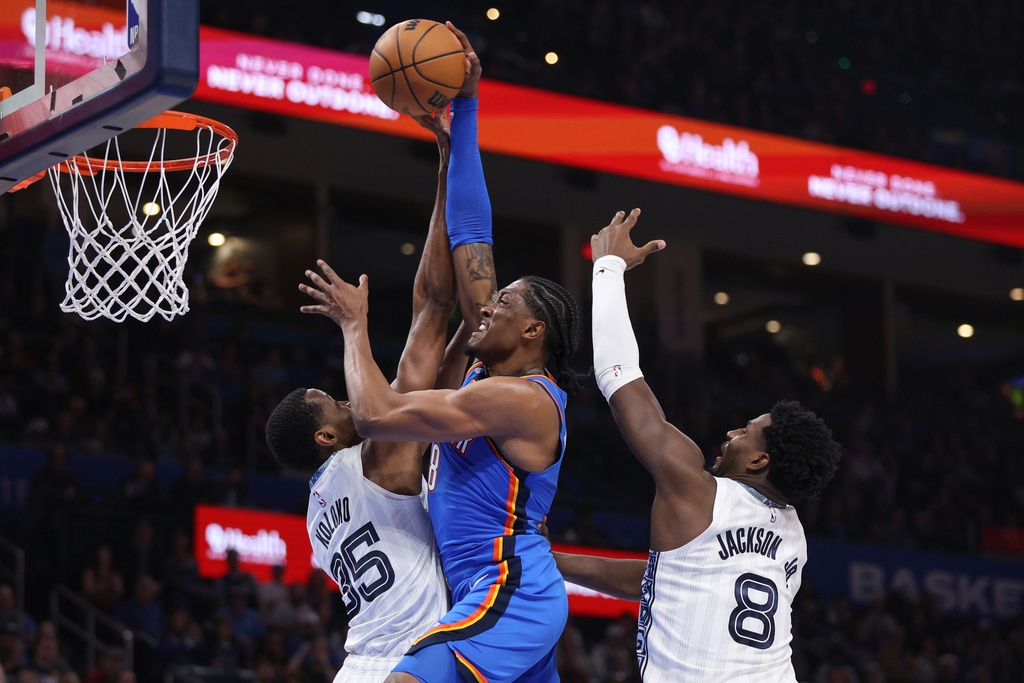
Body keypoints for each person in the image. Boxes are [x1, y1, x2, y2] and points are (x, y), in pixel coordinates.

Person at [301, 23, 581, 683]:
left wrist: (353, 325)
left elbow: (376, 414)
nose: (488, 304)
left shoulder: (520, 399)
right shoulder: (489, 368)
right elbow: (472, 236)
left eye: (505, 303)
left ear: (536, 331)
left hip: (507, 592)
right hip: (487, 591)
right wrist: (466, 114)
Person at [552, 209, 842, 682]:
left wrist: (607, 269)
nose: (730, 434)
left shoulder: (698, 490)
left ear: (759, 459)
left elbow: (619, 378)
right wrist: (553, 560)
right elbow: (666, 580)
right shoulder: (794, 541)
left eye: (744, 431)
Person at [264, 106, 464, 682]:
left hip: (359, 665)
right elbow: (433, 306)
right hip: (408, 661)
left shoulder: (316, 513)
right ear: (328, 435)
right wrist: (448, 167)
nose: (351, 403)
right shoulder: (376, 459)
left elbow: (438, 358)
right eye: (337, 403)